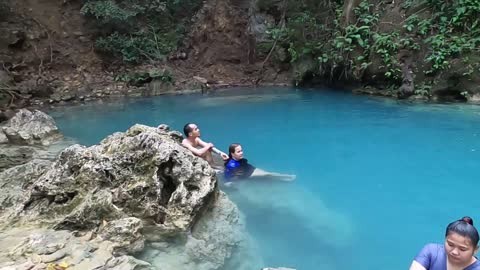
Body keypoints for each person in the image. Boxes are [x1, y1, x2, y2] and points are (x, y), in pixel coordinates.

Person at [409, 216, 480, 270]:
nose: (454, 252)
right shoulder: (431, 252)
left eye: (462, 249)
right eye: (450, 245)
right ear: (445, 239)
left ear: (475, 250)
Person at [224, 143, 296, 182]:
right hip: (245, 173)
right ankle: (286, 177)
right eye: (238, 152)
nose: (241, 153)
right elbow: (232, 176)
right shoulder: (231, 164)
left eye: (241, 150)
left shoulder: (231, 158)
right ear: (232, 153)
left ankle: (283, 177)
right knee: (267, 175)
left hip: (247, 167)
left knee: (266, 173)